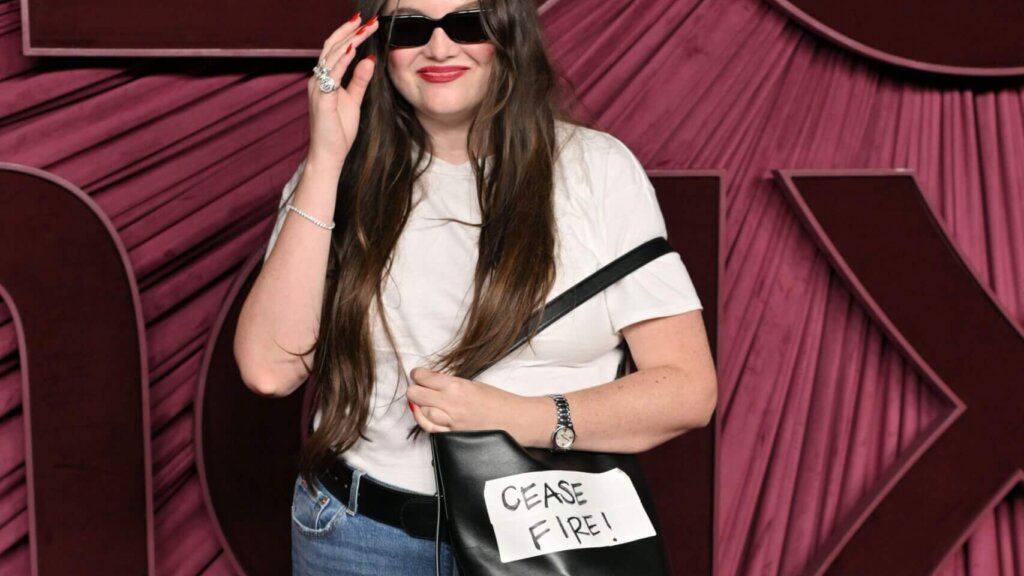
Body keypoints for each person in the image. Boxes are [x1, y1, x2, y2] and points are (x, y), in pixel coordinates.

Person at [233, 0, 718, 574]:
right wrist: (325, 160)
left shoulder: (597, 170)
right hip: (359, 539)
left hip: (541, 542)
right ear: (378, 47)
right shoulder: (336, 175)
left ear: (509, 33)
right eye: (411, 28)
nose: (439, 48)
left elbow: (687, 389)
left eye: (468, 23)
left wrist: (518, 416)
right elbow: (268, 370)